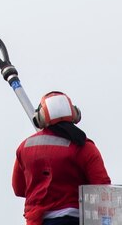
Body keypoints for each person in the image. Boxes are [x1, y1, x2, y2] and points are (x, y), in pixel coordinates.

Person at [13, 91, 110, 225]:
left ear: (40, 118)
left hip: (37, 221)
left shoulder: (24, 147)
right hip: (74, 219)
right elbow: (102, 189)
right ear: (74, 114)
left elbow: (18, 189)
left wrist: (42, 188)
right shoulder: (84, 147)